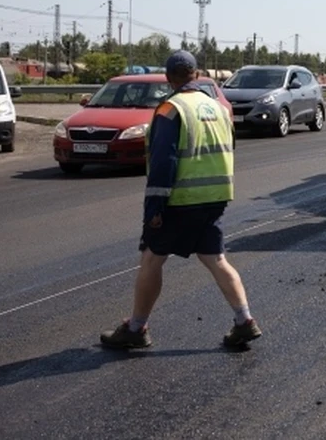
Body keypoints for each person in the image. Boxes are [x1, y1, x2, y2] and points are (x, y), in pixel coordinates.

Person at [100, 50, 261, 349]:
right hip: (215, 197)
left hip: (181, 199)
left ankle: (136, 329)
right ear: (197, 75)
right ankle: (245, 321)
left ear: (168, 78)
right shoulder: (217, 108)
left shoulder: (170, 110)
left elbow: (163, 163)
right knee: (216, 259)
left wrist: (155, 208)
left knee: (151, 258)